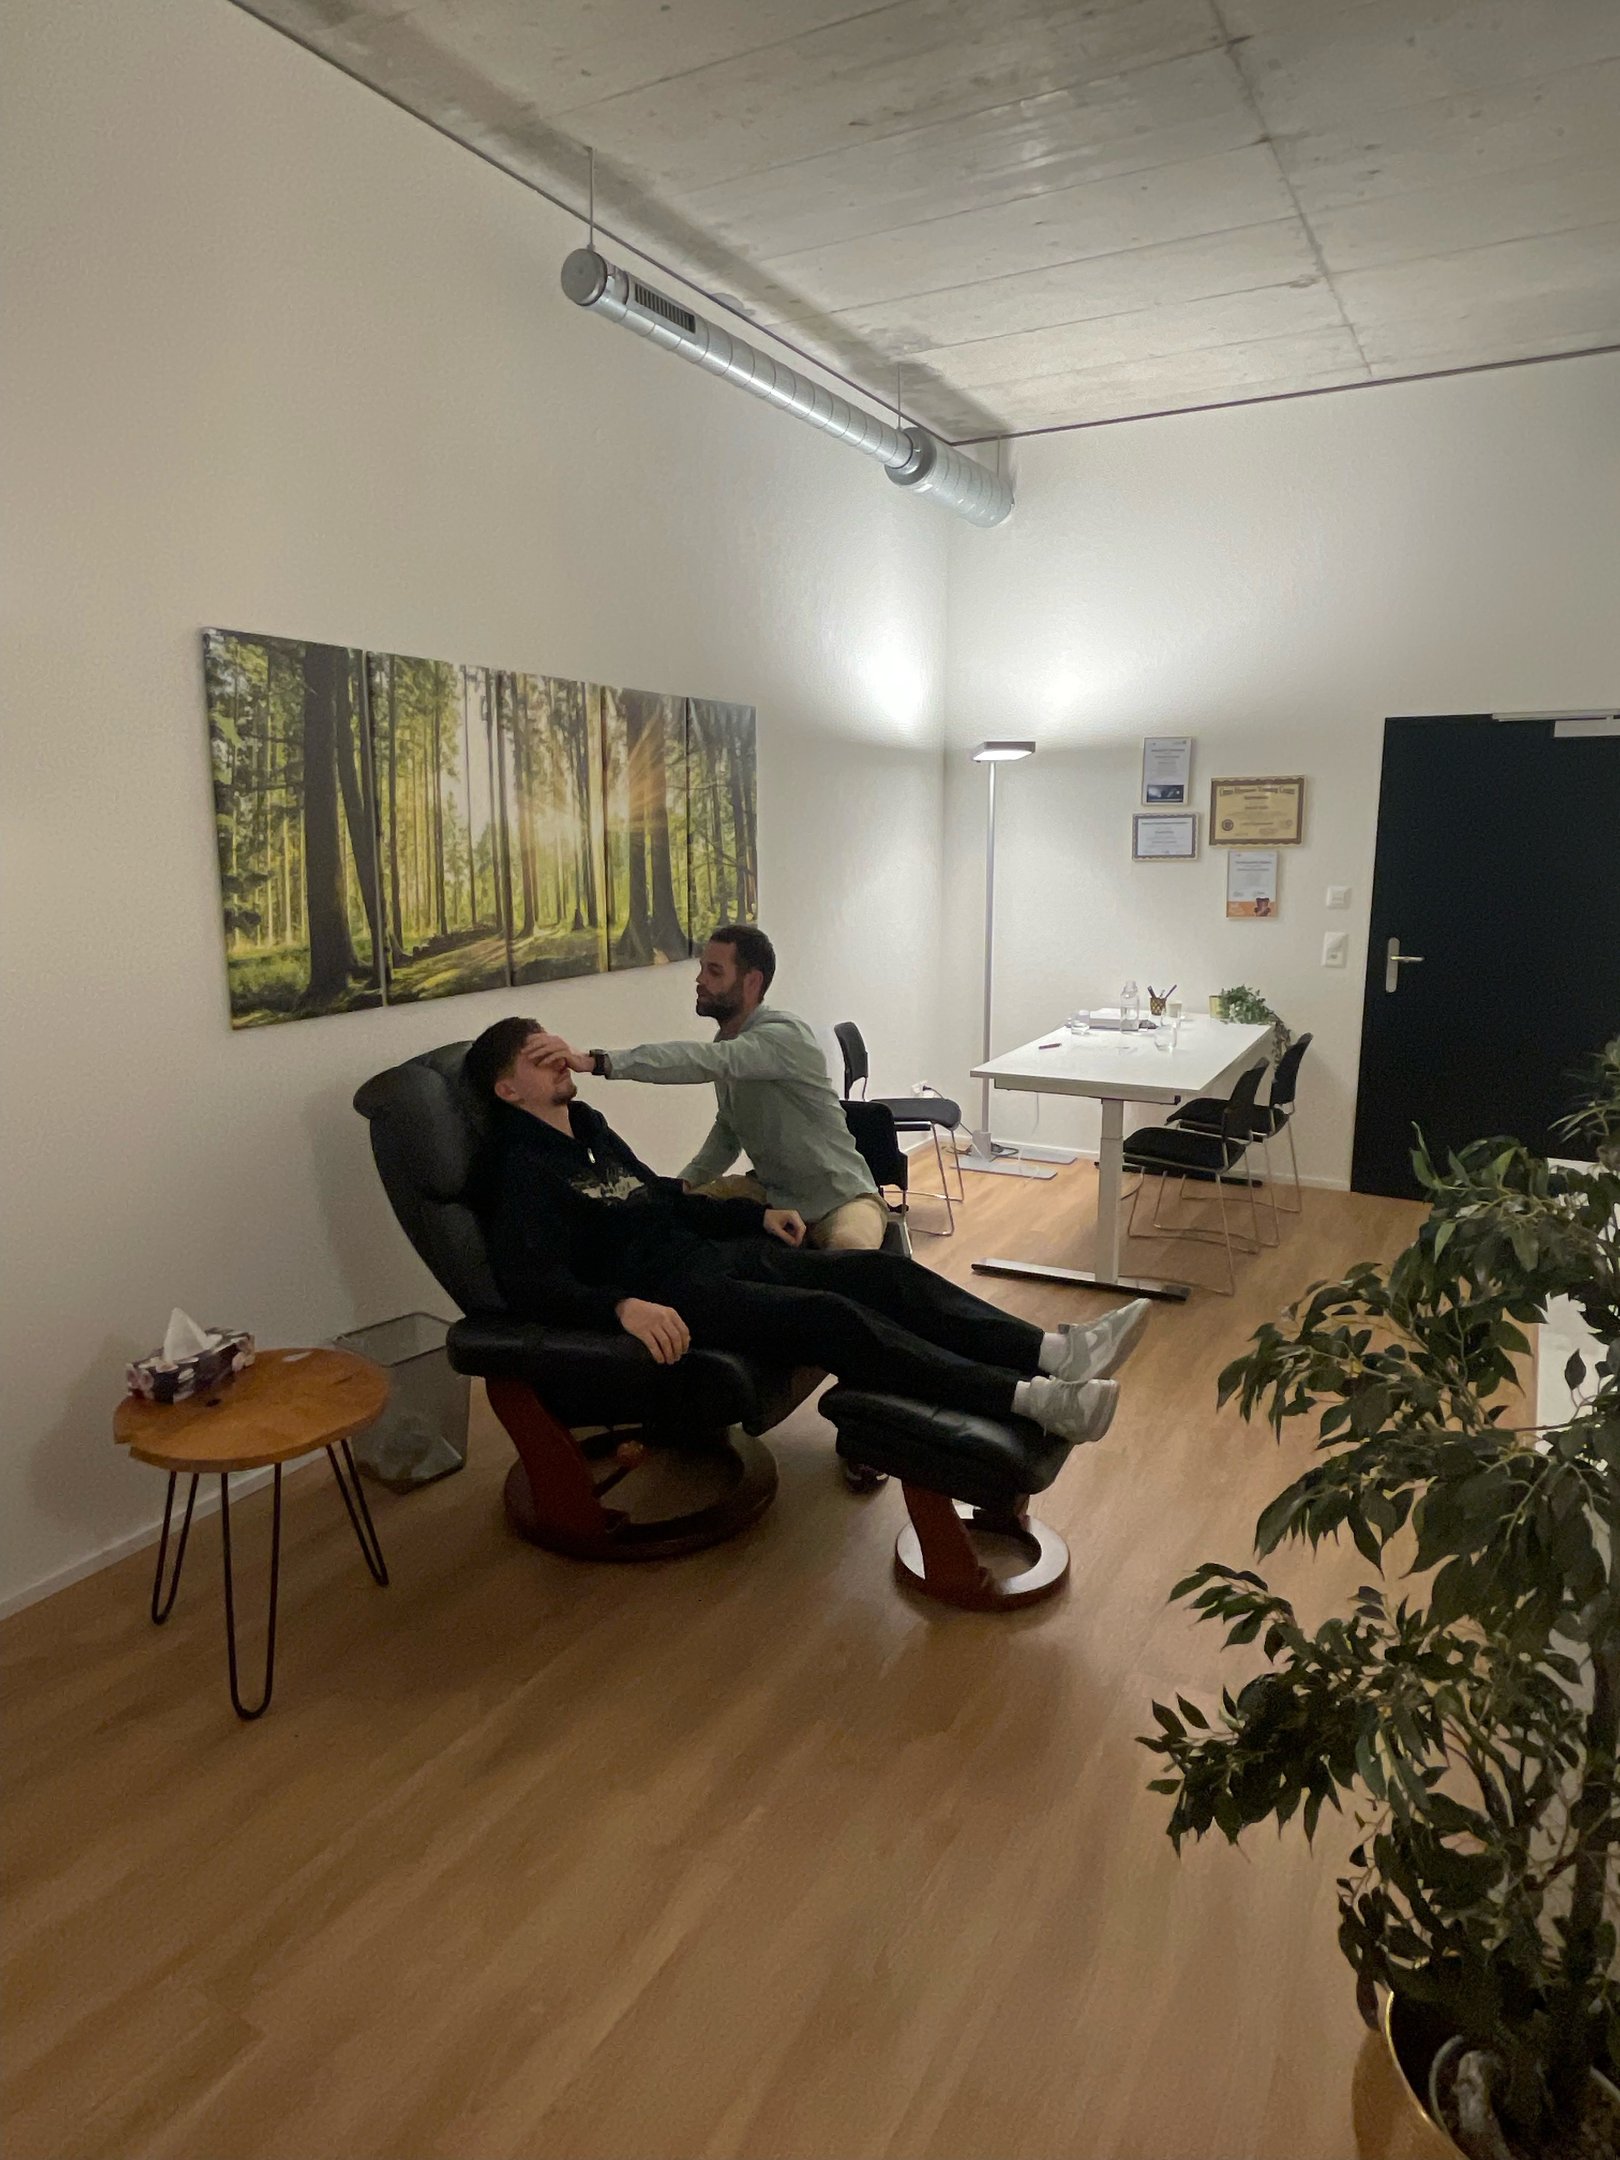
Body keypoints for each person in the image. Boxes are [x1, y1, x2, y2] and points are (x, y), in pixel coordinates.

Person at [465, 1016, 1151, 1449]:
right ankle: (1032, 1402)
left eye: (554, 1047)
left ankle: (1053, 1352)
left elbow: (664, 1200)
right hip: (672, 1298)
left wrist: (752, 1216)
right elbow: (530, 1282)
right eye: (537, 1057)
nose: (558, 1060)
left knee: (882, 1272)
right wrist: (621, 1307)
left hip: (710, 1257)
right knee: (833, 1318)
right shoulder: (517, 1169)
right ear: (506, 1091)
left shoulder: (590, 1131)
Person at [528, 924, 888, 1251]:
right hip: (774, 1195)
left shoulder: (783, 1037)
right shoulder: (726, 1045)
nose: (699, 980)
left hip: (843, 1199)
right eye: (702, 968)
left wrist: (597, 1061)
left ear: (752, 982)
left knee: (851, 1252)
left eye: (714, 971)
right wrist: (684, 1184)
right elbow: (728, 1132)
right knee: (674, 1220)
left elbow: (702, 1060)